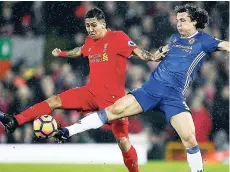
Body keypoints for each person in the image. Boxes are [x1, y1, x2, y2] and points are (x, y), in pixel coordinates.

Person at [52, 4, 230, 172]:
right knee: (114, 110)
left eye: (183, 20)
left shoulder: (204, 40)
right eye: (177, 20)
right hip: (150, 89)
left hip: (173, 97)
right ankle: (68, 131)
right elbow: (164, 51)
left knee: (190, 138)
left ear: (194, 22)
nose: (178, 23)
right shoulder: (175, 38)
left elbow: (226, 45)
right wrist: (157, 54)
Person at [0, 8, 167, 172]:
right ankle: (15, 121)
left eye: (93, 25)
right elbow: (80, 51)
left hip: (114, 101)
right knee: (55, 100)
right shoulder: (90, 40)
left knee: (123, 142)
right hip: (90, 93)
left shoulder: (118, 37)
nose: (90, 29)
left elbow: (139, 53)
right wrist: (63, 53)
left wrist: (153, 57)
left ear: (103, 24)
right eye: (87, 25)